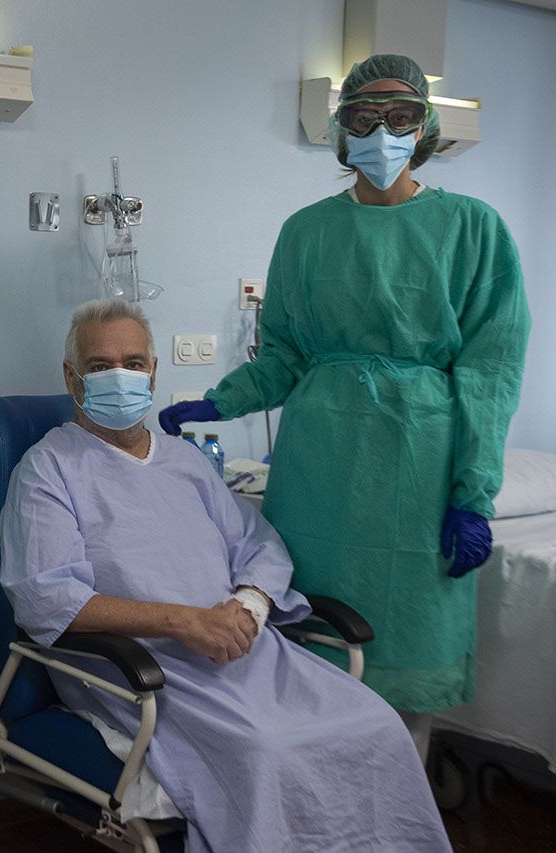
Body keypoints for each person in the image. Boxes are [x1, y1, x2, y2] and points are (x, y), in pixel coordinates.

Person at [158, 53, 530, 755]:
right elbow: (286, 355)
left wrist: (474, 495)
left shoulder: (475, 230)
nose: (382, 131)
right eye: (365, 115)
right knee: (311, 646)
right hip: (320, 465)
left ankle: (398, 802)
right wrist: (219, 401)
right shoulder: (306, 231)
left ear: (425, 129)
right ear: (341, 129)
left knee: (403, 646)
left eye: (401, 116)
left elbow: (491, 374)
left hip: (420, 465)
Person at [0, 298, 450, 852]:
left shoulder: (186, 462)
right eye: (100, 366)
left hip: (243, 650)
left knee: (378, 726)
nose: (121, 376)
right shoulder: (48, 469)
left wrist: (250, 608)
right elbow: (47, 597)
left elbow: (257, 544)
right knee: (268, 751)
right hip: (141, 672)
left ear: (154, 371)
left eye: (134, 363)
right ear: (72, 378)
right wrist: (184, 622)